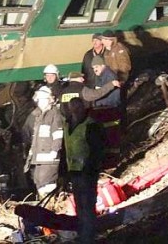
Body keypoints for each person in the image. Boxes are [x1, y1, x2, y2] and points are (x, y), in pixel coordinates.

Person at [62, 97, 104, 243]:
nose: (75, 110)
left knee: (87, 207)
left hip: (87, 173)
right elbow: (65, 150)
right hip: (74, 173)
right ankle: (84, 235)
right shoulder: (68, 125)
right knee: (80, 207)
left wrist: (90, 168)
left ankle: (89, 238)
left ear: (82, 107)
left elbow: (97, 150)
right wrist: (64, 173)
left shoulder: (90, 125)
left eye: (77, 107)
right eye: (72, 107)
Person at [23, 85, 64, 198]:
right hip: (39, 158)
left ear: (49, 99)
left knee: (47, 183)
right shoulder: (40, 116)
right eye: (38, 99)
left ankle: (50, 205)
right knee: (38, 181)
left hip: (49, 159)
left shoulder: (54, 114)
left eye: (42, 99)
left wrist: (54, 151)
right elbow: (36, 137)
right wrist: (31, 153)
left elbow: (57, 134)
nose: (39, 102)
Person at [87, 57, 122, 167]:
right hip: (104, 109)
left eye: (96, 67)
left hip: (109, 109)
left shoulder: (109, 76)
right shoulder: (101, 76)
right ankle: (109, 160)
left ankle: (113, 160)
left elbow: (107, 94)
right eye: (93, 68)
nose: (94, 70)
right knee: (106, 135)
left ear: (102, 65)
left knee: (111, 135)